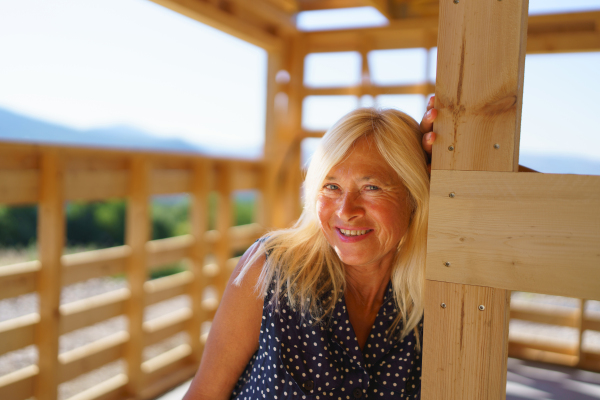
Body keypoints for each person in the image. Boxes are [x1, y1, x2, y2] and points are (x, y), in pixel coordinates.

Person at [184, 98, 438, 400]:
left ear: (414, 194)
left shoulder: (435, 295)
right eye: (331, 187)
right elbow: (204, 394)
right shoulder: (271, 270)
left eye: (372, 187)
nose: (346, 210)